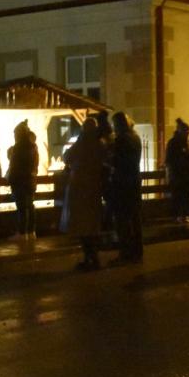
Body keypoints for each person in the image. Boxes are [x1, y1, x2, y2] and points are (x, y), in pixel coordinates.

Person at [61, 117, 105, 270]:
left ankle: (89, 258)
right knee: (93, 225)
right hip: (94, 188)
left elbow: (67, 157)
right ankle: (94, 257)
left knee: (83, 226)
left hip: (80, 189)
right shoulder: (100, 144)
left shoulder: (82, 143)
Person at [108, 111, 144, 264]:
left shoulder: (121, 140)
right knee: (134, 218)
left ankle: (126, 252)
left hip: (122, 184)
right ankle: (137, 251)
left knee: (122, 220)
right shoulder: (135, 137)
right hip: (134, 182)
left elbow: (115, 161)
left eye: (114, 124)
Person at [6, 120, 39, 241]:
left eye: (15, 134)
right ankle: (31, 232)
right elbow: (35, 165)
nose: (14, 136)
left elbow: (14, 166)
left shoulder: (18, 147)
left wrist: (10, 178)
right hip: (31, 181)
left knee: (21, 208)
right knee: (30, 206)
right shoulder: (33, 147)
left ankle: (21, 233)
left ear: (19, 134)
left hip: (20, 182)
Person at [165, 118, 189, 222]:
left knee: (185, 195)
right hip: (177, 174)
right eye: (186, 132)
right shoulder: (173, 143)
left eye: (188, 133)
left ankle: (184, 214)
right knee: (178, 196)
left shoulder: (187, 143)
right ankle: (178, 215)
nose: (187, 134)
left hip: (186, 174)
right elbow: (170, 160)